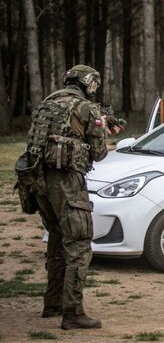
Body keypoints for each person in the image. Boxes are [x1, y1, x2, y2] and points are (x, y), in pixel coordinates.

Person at [21, 65, 120, 329]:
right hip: (66, 182)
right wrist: (102, 130)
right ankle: (73, 312)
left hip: (38, 182)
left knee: (56, 239)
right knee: (78, 244)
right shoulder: (86, 109)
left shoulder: (47, 104)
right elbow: (99, 153)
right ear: (88, 84)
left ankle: (52, 303)